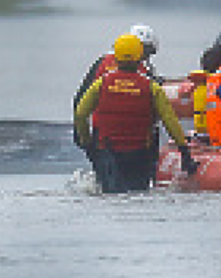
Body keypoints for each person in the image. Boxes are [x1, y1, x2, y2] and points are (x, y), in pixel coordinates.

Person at [74, 33, 193, 193]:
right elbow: (169, 120)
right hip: (140, 154)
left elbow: (80, 114)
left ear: (116, 56)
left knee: (109, 194)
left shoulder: (100, 84)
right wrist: (184, 151)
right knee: (139, 194)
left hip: (107, 152)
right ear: (140, 57)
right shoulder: (152, 87)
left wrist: (87, 143)